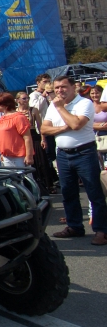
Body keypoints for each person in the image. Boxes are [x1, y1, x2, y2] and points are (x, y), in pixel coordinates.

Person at [42, 75, 107, 245]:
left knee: (94, 193)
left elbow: (77, 124)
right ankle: (74, 226)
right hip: (63, 154)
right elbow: (44, 128)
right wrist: (63, 127)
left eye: (63, 87)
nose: (59, 91)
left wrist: (61, 108)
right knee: (68, 193)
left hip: (84, 153)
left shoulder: (83, 104)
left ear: (73, 88)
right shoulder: (53, 106)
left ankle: (102, 230)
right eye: (56, 88)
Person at [0, 93, 33, 167]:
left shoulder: (19, 117)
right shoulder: (2, 118)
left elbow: (27, 137)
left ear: (4, 104)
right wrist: (3, 153)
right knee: (12, 178)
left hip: (19, 157)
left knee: (24, 178)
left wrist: (29, 156)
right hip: (6, 156)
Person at [89, 84, 107, 169]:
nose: (94, 95)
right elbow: (85, 123)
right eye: (92, 93)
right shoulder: (88, 106)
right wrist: (101, 125)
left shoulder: (105, 106)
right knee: (99, 164)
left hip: (105, 135)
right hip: (93, 137)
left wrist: (94, 125)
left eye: (97, 93)